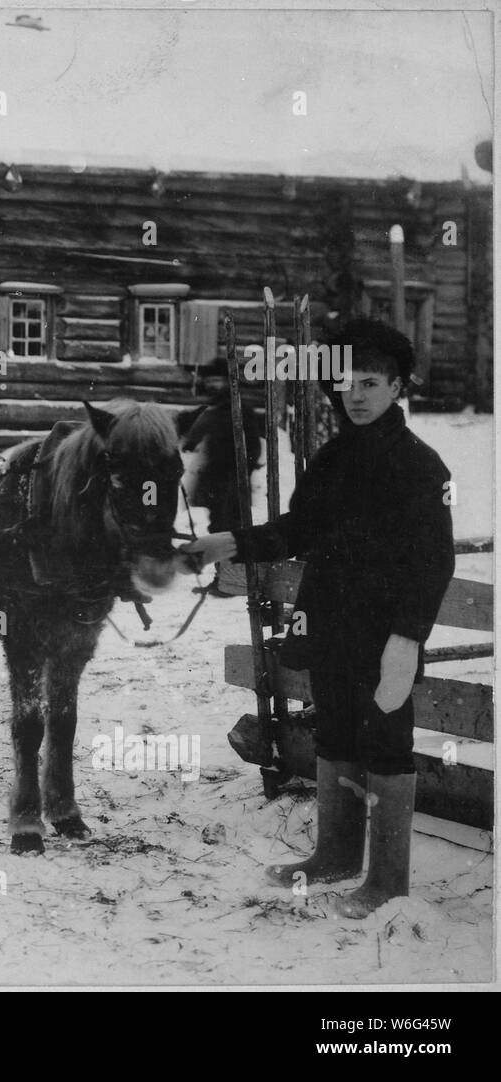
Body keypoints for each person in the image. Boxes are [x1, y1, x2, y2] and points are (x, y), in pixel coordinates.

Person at [181, 319, 455, 918]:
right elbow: (294, 531)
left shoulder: (420, 467)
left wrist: (407, 639)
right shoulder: (331, 460)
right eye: (346, 382)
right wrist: (228, 541)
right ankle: (333, 855)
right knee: (334, 731)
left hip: (386, 637)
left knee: (386, 739)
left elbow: (434, 562)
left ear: (398, 386)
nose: (355, 394)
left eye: (371, 382)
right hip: (329, 624)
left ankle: (386, 881)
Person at [178, 382, 263, 597]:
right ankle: (224, 580)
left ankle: (231, 582)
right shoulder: (232, 411)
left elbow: (254, 448)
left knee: (228, 530)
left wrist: (240, 472)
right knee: (224, 529)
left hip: (229, 483)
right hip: (223, 482)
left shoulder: (228, 412)